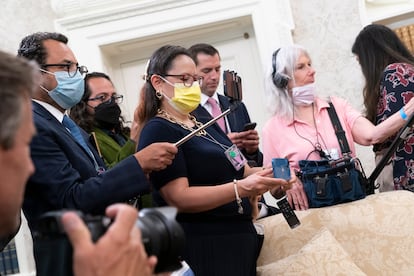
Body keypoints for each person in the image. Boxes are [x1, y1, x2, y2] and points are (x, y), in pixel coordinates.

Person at [17, 32, 177, 272]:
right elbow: (70, 199)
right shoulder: (30, 124)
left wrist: (139, 171)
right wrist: (137, 164)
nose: (76, 76)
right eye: (65, 66)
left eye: (76, 67)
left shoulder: (67, 126)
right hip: (73, 260)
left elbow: (96, 179)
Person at [136, 44, 291, 276]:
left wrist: (272, 175)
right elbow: (179, 197)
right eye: (184, 79)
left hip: (238, 236)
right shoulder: (159, 129)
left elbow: (242, 169)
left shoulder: (200, 119)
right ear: (158, 83)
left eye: (194, 79)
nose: (193, 86)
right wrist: (239, 189)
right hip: (203, 241)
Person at [262, 44, 414, 210]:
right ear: (282, 79)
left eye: (309, 64)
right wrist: (287, 179)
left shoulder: (337, 106)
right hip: (313, 218)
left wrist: (408, 109)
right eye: (301, 67)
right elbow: (274, 191)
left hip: (355, 208)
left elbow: (372, 135)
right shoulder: (272, 129)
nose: (312, 71)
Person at [352, 24, 414, 192]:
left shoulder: (395, 72)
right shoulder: (406, 71)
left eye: (361, 61)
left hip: (402, 167)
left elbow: (398, 131)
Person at [188, 43, 263, 167]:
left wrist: (252, 151)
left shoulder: (236, 106)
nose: (214, 76)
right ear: (192, 73)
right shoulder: (187, 112)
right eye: (207, 71)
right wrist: (224, 145)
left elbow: (252, 162)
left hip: (244, 179)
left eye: (217, 69)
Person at [70, 72, 137, 169]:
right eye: (102, 97)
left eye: (113, 97)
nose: (111, 102)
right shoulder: (85, 140)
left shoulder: (123, 132)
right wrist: (133, 141)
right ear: (83, 104)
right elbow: (105, 175)